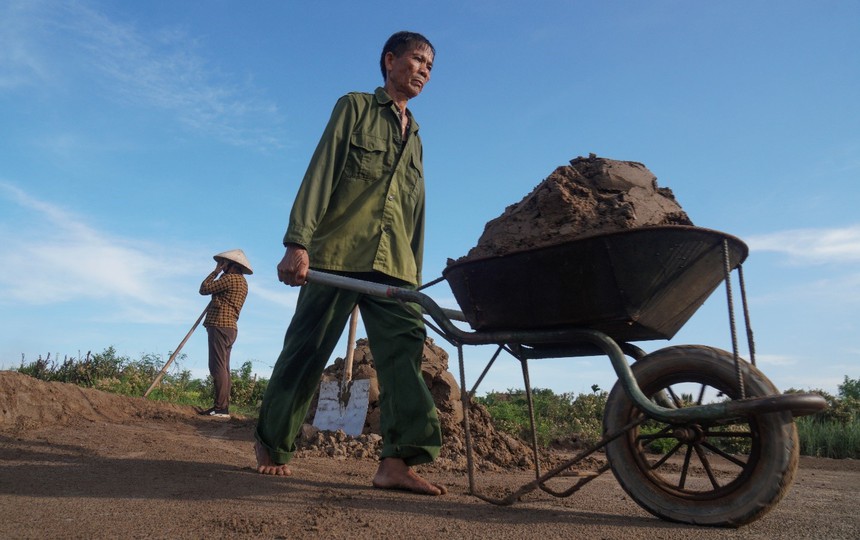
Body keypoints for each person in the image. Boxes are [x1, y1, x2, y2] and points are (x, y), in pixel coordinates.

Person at [254, 31, 445, 496]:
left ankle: (395, 462)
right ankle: (273, 443)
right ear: (390, 60)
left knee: (405, 352)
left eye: (430, 66)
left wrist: (415, 278)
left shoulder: (416, 137)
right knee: (307, 349)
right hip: (339, 252)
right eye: (417, 60)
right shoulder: (355, 108)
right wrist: (298, 241)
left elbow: (416, 214)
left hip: (395, 266)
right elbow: (321, 170)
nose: (423, 70)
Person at [198, 249, 252, 419]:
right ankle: (223, 407)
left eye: (224, 263)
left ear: (232, 265)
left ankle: (220, 408)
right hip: (230, 327)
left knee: (217, 366)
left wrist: (216, 272)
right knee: (224, 367)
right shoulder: (242, 282)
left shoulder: (229, 279)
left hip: (220, 325)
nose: (221, 266)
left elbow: (204, 288)